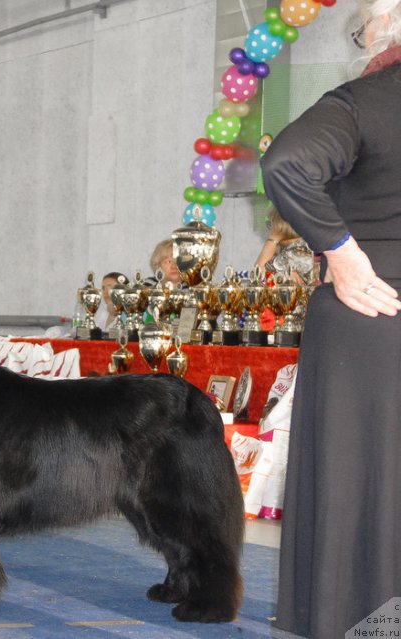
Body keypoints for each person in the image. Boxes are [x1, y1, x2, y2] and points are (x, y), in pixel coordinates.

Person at [261, 2, 401, 636]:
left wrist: (340, 253)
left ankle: (357, 623)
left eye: (364, 23)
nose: (360, 34)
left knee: (356, 491)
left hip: (368, 323)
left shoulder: (363, 99)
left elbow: (287, 162)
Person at [255, 207, 315, 286]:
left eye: (270, 225)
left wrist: (273, 239)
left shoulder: (295, 252)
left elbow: (258, 273)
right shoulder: (308, 245)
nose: (270, 230)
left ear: (280, 225)